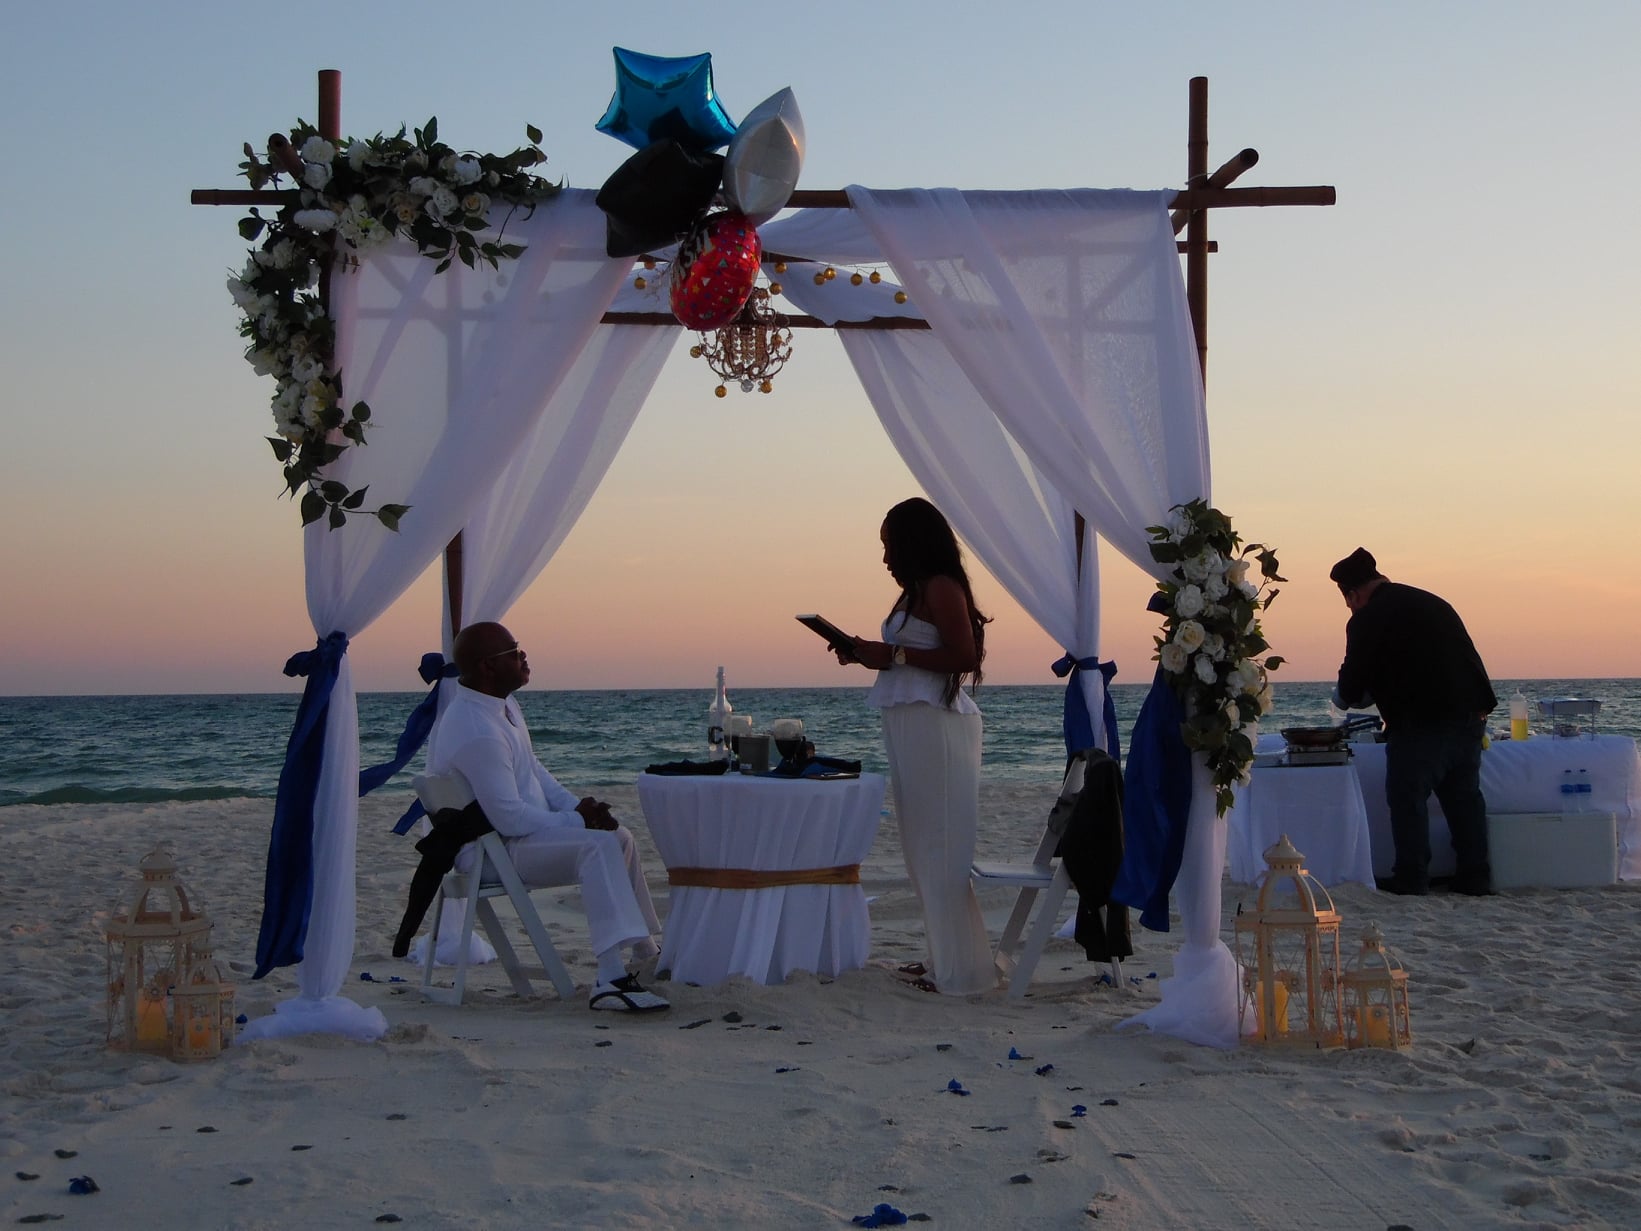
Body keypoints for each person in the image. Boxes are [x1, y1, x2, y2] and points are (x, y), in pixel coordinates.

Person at [425, 621, 669, 1012]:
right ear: (488, 666)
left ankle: (645, 952)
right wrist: (579, 824)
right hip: (491, 853)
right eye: (514, 652)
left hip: (516, 839)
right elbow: (508, 819)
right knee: (597, 848)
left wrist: (578, 809)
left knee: (618, 837)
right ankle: (609, 977)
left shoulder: (501, 707)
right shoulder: (476, 727)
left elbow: (533, 770)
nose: (524, 657)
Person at [832, 497, 996, 995]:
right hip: (909, 722)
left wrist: (896, 652)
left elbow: (963, 655)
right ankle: (941, 956)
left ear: (911, 543)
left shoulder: (943, 588)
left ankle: (959, 970)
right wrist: (867, 655)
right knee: (918, 845)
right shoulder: (912, 593)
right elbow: (907, 661)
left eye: (889, 546)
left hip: (937, 726)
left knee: (940, 846)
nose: (884, 558)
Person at [1330, 548, 1497, 896]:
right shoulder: (1433, 602)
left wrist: (1341, 698)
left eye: (1348, 601)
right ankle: (1475, 875)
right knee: (1464, 798)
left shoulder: (1367, 616)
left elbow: (1353, 679)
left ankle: (1412, 875)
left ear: (1352, 594)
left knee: (1407, 796)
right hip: (1471, 716)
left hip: (1421, 722)